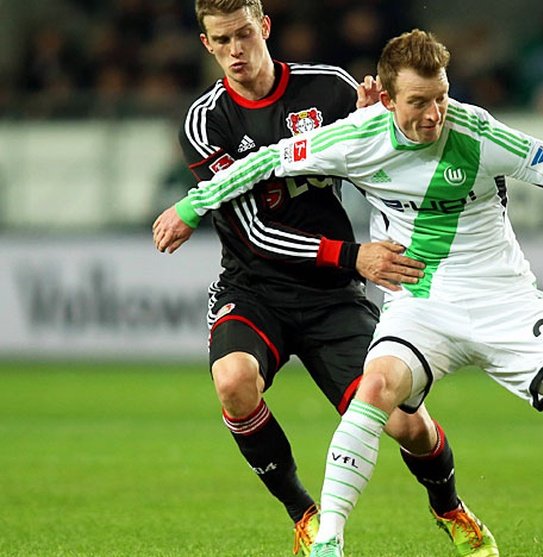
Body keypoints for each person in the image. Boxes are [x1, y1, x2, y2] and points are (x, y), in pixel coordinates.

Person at [154, 28, 543, 557]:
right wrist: (189, 206)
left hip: (506, 303)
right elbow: (263, 163)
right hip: (420, 304)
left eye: (440, 97)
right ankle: (329, 536)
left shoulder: (476, 133)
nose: (433, 114)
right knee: (374, 393)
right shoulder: (354, 138)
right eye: (418, 101)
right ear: (388, 100)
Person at [152, 5, 497, 556]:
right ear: (207, 44)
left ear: (263, 28)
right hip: (254, 287)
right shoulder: (206, 122)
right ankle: (303, 513)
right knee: (234, 382)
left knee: (407, 425)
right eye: (223, 40)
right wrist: (354, 255)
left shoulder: (329, 89)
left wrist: (367, 127)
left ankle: (449, 505)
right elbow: (256, 230)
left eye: (244, 33)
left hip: (332, 296)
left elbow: (380, 154)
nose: (237, 49)